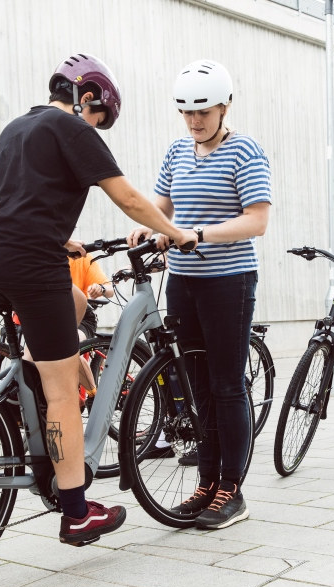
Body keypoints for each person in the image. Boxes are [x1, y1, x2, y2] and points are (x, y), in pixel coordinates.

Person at [0, 52, 198, 546]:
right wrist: (175, 231)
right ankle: (76, 509)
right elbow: (128, 197)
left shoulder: (17, 127)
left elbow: (12, 199)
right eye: (98, 117)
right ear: (84, 96)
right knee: (65, 391)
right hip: (26, 261)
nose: (97, 127)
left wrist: (60, 238)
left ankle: (30, 382)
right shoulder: (72, 129)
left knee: (77, 303)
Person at [128, 59, 272, 530]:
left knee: (228, 385)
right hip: (185, 283)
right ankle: (207, 483)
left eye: (204, 112)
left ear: (225, 106)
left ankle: (233, 488)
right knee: (196, 385)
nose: (195, 121)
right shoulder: (177, 152)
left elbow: (257, 220)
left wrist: (199, 234)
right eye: (186, 113)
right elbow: (162, 206)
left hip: (229, 282)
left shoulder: (245, 151)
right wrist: (144, 226)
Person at [68, 254, 114, 338]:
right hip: (49, 317)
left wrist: (101, 288)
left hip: (81, 318)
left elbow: (110, 290)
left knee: (71, 340)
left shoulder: (80, 257)